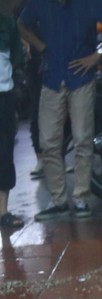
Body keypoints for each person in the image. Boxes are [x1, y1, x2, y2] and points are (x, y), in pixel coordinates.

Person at [18, 0, 102, 220]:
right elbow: (20, 24)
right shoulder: (40, 4)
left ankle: (81, 199)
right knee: (48, 142)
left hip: (82, 79)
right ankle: (58, 201)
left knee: (82, 140)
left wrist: (98, 54)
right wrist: (40, 46)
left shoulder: (88, 3)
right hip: (52, 78)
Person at [0, 0, 23, 228]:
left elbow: (16, 59)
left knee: (4, 153)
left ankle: (2, 212)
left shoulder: (7, 24)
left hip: (3, 96)